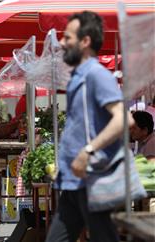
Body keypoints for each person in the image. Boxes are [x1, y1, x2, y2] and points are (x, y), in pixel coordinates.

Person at [45, 11, 134, 242]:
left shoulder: (96, 74)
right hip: (74, 181)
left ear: (85, 42)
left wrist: (88, 151)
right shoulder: (77, 78)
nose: (62, 44)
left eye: (68, 38)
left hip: (92, 179)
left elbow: (124, 119)